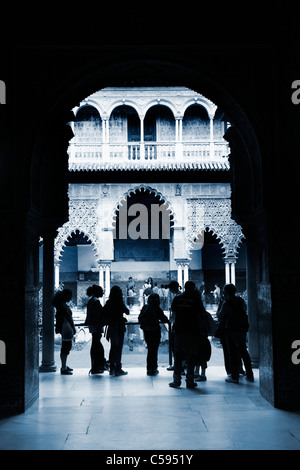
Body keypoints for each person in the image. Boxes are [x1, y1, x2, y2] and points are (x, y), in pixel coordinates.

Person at [169, 281, 207, 389]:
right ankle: (189, 381)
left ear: (185, 287)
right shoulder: (196, 299)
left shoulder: (177, 298)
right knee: (191, 357)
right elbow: (202, 314)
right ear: (194, 288)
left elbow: (174, 312)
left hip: (179, 331)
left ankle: (176, 381)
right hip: (193, 332)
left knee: (178, 357)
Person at [217, 283, 254, 384]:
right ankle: (250, 375)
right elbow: (245, 310)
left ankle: (234, 376)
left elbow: (220, 316)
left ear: (226, 292)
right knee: (244, 351)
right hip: (241, 329)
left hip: (231, 329)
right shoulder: (241, 300)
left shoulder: (226, 303)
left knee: (232, 353)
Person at [138, 293, 169, 375]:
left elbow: (140, 318)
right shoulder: (157, 308)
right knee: (154, 350)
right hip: (155, 331)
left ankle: (149, 368)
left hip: (147, 331)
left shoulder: (145, 307)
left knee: (150, 350)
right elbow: (163, 318)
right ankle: (154, 368)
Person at [103, 285, 130, 376]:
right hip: (119, 327)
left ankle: (112, 368)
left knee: (113, 347)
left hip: (111, 327)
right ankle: (118, 368)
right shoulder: (120, 302)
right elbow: (127, 312)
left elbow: (104, 312)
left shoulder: (109, 302)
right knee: (118, 348)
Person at [85, 284, 107, 375]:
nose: (102, 292)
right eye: (101, 291)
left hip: (93, 326)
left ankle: (95, 366)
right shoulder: (96, 302)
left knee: (95, 345)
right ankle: (96, 366)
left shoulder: (91, 301)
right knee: (97, 346)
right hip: (96, 326)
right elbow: (98, 315)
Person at [52, 289, 76, 375]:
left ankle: (64, 365)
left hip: (65, 327)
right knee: (66, 347)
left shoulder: (61, 306)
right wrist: (73, 327)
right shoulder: (63, 306)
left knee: (66, 347)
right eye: (69, 296)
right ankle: (63, 367)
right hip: (66, 327)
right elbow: (69, 318)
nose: (70, 298)